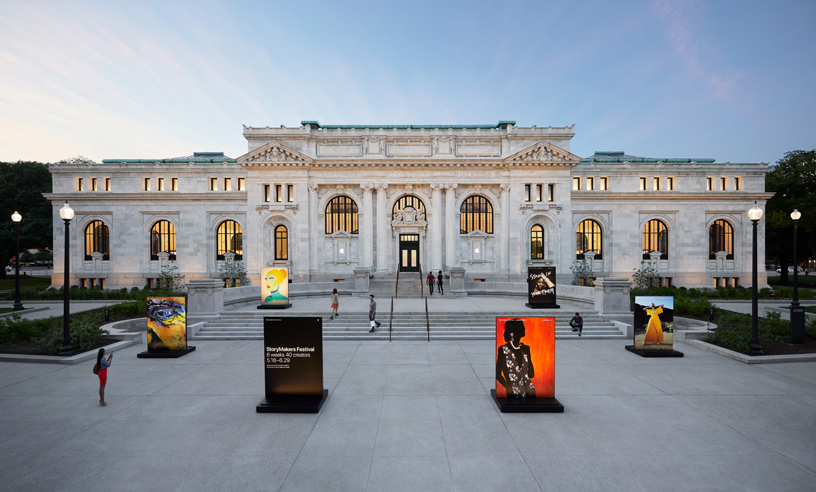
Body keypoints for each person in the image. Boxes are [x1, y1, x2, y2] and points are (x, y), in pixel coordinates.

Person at [495, 318, 536, 397]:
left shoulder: (525, 349)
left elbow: (531, 375)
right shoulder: (503, 349)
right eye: (521, 327)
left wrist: (528, 357)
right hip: (513, 393)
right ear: (513, 332)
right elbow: (497, 374)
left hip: (530, 392)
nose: (524, 328)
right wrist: (507, 386)